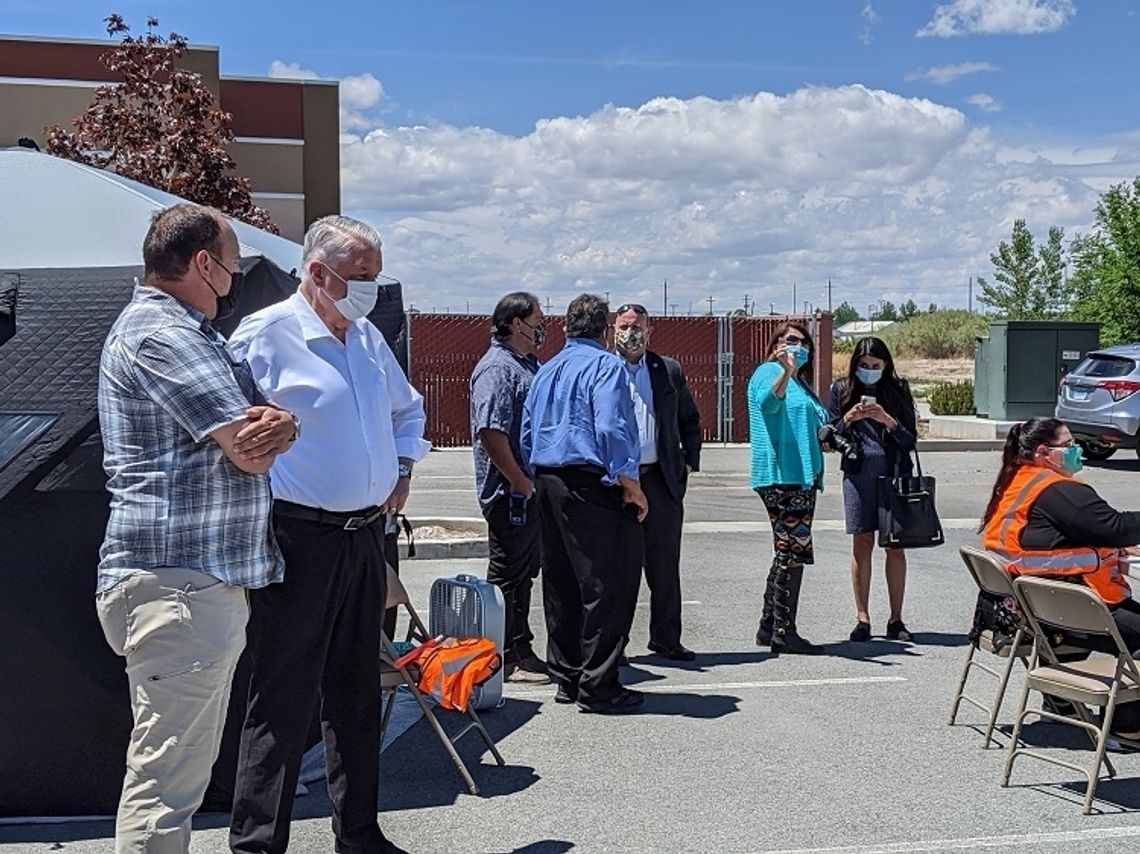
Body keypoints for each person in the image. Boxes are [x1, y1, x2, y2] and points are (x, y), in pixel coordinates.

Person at [96, 204, 297, 853]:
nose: (234, 287)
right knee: (165, 787)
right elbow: (249, 444)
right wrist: (281, 426)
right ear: (202, 264)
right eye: (231, 272)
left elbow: (250, 431)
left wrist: (275, 423)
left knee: (172, 775)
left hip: (181, 584)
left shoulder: (179, 330)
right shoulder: (164, 332)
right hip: (179, 587)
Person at [227, 215, 429, 854]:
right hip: (298, 537)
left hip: (366, 536)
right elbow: (224, 430)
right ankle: (258, 844)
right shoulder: (265, 337)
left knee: (357, 693)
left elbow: (409, 409)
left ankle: (360, 834)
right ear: (318, 274)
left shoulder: (367, 339)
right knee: (282, 699)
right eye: (361, 277)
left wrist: (401, 465)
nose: (371, 288)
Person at [522, 293, 649, 714]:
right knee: (606, 583)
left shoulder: (547, 369)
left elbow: (526, 431)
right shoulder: (605, 365)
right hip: (590, 482)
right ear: (606, 330)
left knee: (561, 582)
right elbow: (611, 426)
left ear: (564, 328)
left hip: (547, 479)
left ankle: (568, 675)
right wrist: (630, 483)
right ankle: (600, 683)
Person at [981, 416, 1140, 652]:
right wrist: (1114, 541)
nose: (1076, 449)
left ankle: (1055, 689)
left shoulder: (1018, 479)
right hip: (1060, 617)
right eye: (1068, 445)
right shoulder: (1057, 490)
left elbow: (1054, 536)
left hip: (1017, 609)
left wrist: (1110, 547)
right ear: (1044, 452)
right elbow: (1113, 528)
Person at [612, 302, 702, 662]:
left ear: (650, 332)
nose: (631, 332)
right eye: (624, 325)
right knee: (620, 568)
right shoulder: (604, 369)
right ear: (612, 328)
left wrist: (688, 464)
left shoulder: (667, 370)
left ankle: (666, 638)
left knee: (664, 567)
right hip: (618, 484)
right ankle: (614, 644)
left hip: (660, 481)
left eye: (637, 326)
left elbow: (689, 419)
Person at [470, 291, 549, 684]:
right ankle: (502, 657)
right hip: (510, 495)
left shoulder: (525, 365)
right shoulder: (498, 369)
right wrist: (520, 480)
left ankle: (520, 646)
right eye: (537, 318)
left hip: (527, 491)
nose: (542, 326)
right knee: (507, 576)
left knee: (523, 574)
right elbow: (491, 431)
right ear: (517, 323)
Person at [827, 337, 917, 643]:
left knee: (895, 545)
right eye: (864, 366)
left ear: (886, 365)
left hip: (893, 476)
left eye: (876, 366)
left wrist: (887, 419)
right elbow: (828, 435)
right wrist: (848, 418)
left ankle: (896, 618)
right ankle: (862, 617)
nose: (869, 371)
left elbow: (910, 440)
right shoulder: (841, 389)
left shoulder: (898, 390)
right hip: (858, 476)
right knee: (861, 544)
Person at [747, 321, 828, 655]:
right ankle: (784, 630)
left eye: (803, 341)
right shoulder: (768, 372)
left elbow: (818, 422)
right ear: (777, 344)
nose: (799, 345)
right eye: (791, 340)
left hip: (802, 477)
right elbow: (768, 403)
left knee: (788, 548)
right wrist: (785, 370)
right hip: (782, 475)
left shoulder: (802, 384)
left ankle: (769, 626)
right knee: (792, 551)